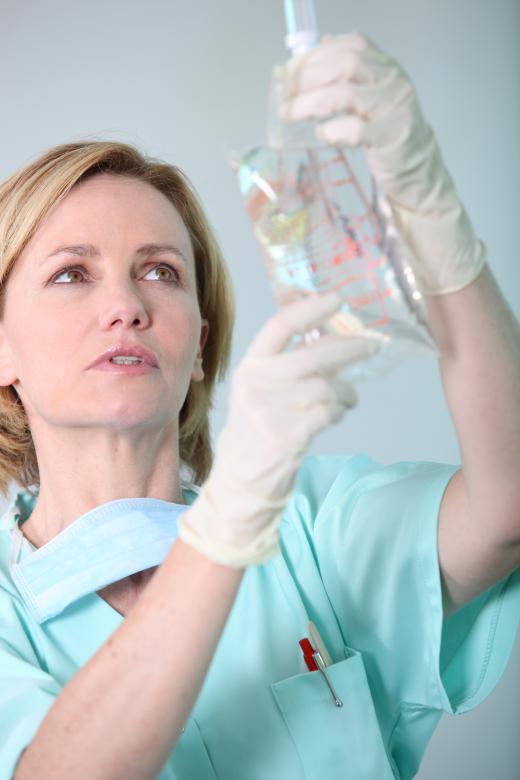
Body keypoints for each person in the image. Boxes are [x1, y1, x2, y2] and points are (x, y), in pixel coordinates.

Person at [0, 31, 518, 780]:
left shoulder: (310, 525)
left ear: (202, 344)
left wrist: (431, 215)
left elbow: (506, 507)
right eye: (71, 275)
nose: (125, 305)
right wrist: (230, 514)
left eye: (161, 271)